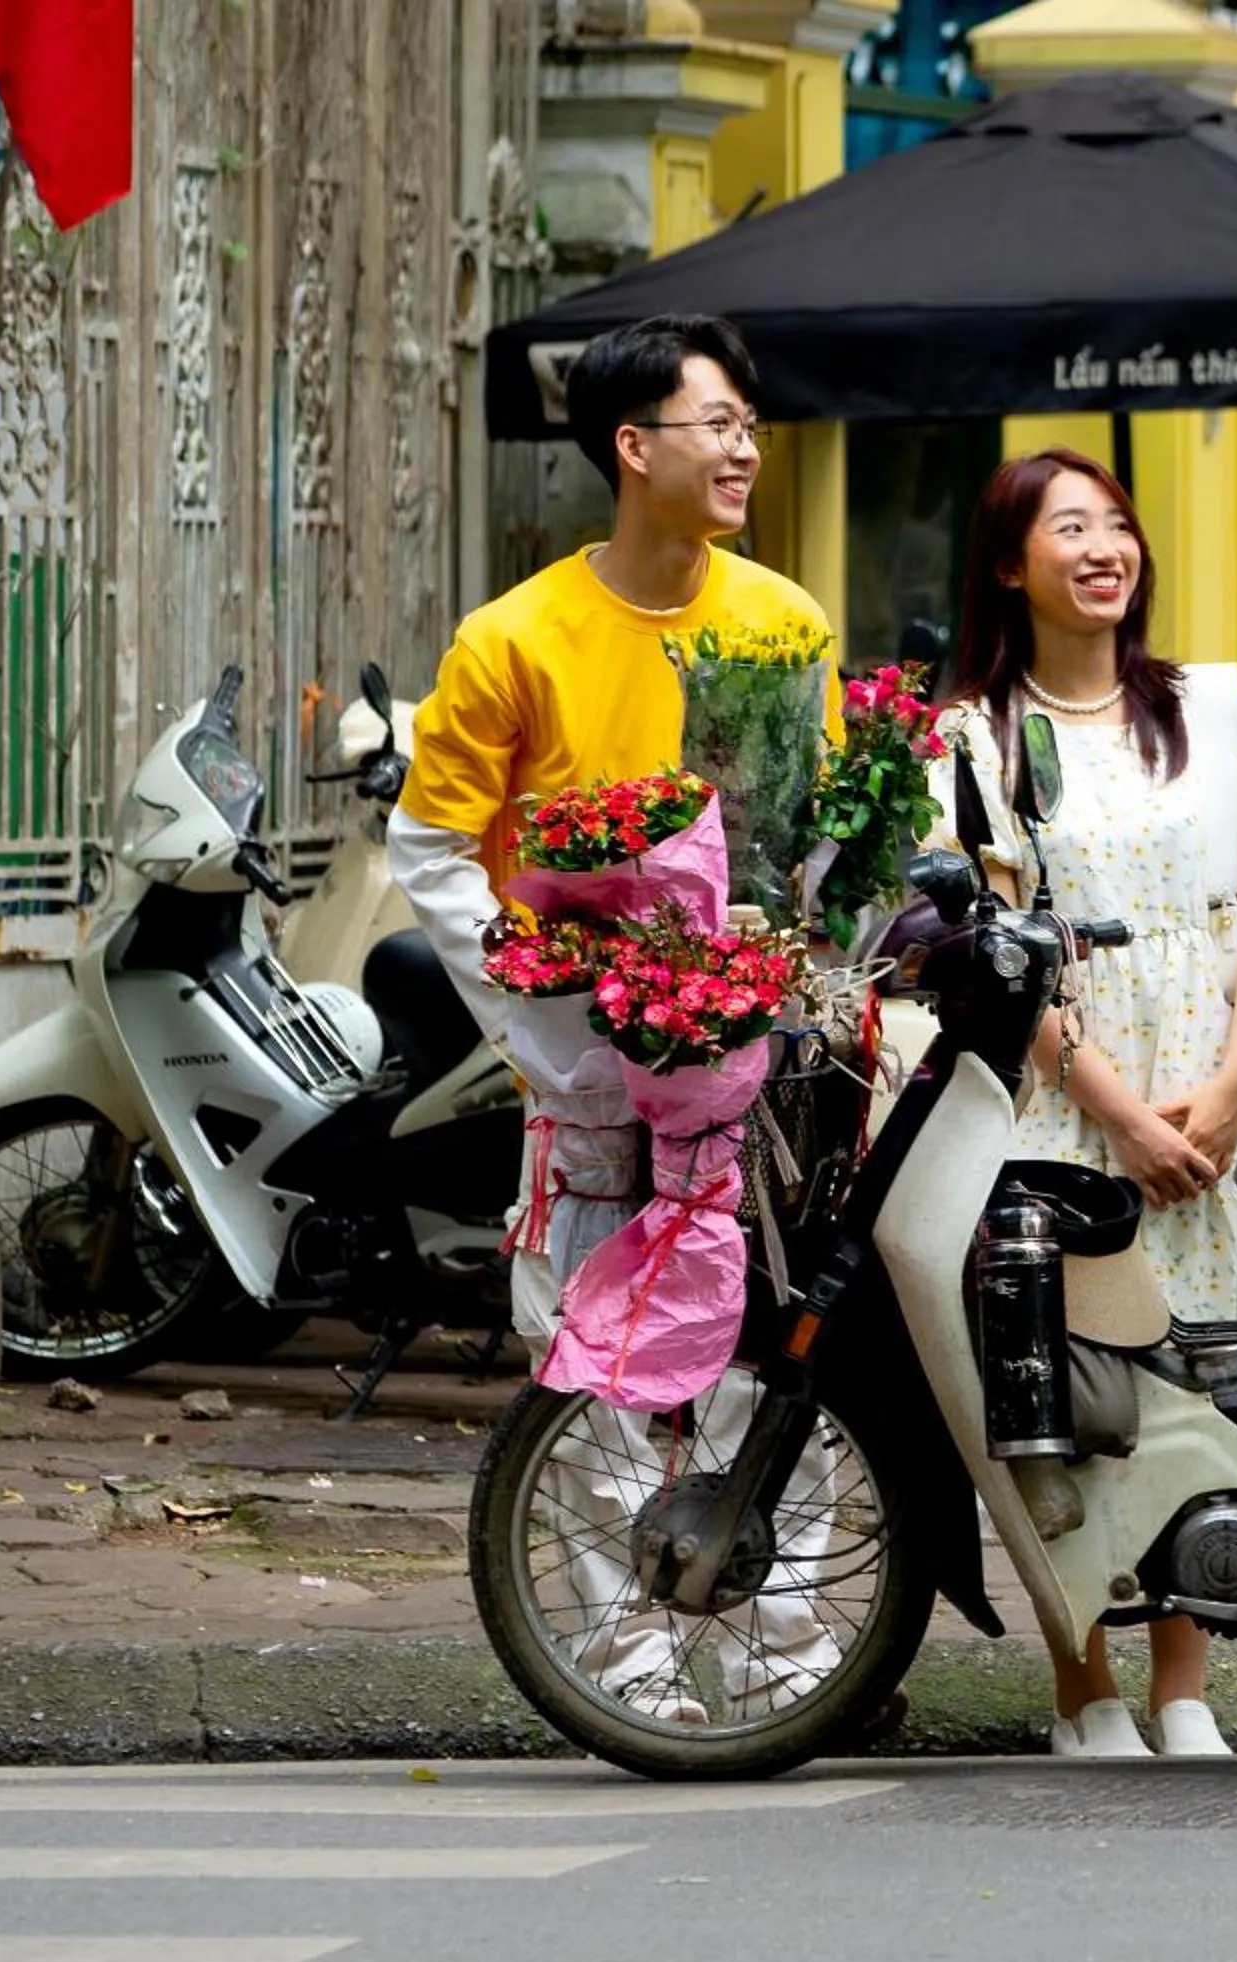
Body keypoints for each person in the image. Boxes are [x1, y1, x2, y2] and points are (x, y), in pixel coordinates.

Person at [387, 313, 854, 1732]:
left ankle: (794, 1661)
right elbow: (432, 847)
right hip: (593, 1073)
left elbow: (812, 847)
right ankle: (630, 1668)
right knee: (592, 1359)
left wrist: (798, 976)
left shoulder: (782, 622)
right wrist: (561, 1009)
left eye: (750, 424)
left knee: (784, 1357)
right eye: (715, 422)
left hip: (755, 1077)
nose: (743, 447)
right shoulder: (514, 639)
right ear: (632, 445)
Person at [932, 447, 1237, 1759]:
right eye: (1069, 527)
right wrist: (1123, 1118)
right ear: (1007, 563)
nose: (1105, 548)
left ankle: (1184, 1684)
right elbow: (995, 951)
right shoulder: (974, 739)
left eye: (1118, 526)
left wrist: (1234, 1080)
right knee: (1068, 1399)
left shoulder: (1205, 704)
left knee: (1201, 1395)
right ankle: (1080, 1683)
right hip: (1067, 1106)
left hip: (1209, 1092)